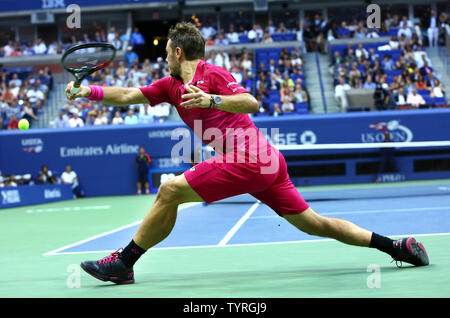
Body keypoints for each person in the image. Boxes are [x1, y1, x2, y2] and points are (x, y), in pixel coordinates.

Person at [66, 22, 428, 285]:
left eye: (166, 53)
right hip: (263, 164)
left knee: (169, 190)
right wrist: (88, 93)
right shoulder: (169, 86)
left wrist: (213, 99)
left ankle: (124, 262)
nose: (163, 59)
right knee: (316, 224)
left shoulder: (213, 74)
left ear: (178, 52)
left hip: (251, 157)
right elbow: (129, 95)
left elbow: (251, 101)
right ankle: (397, 246)